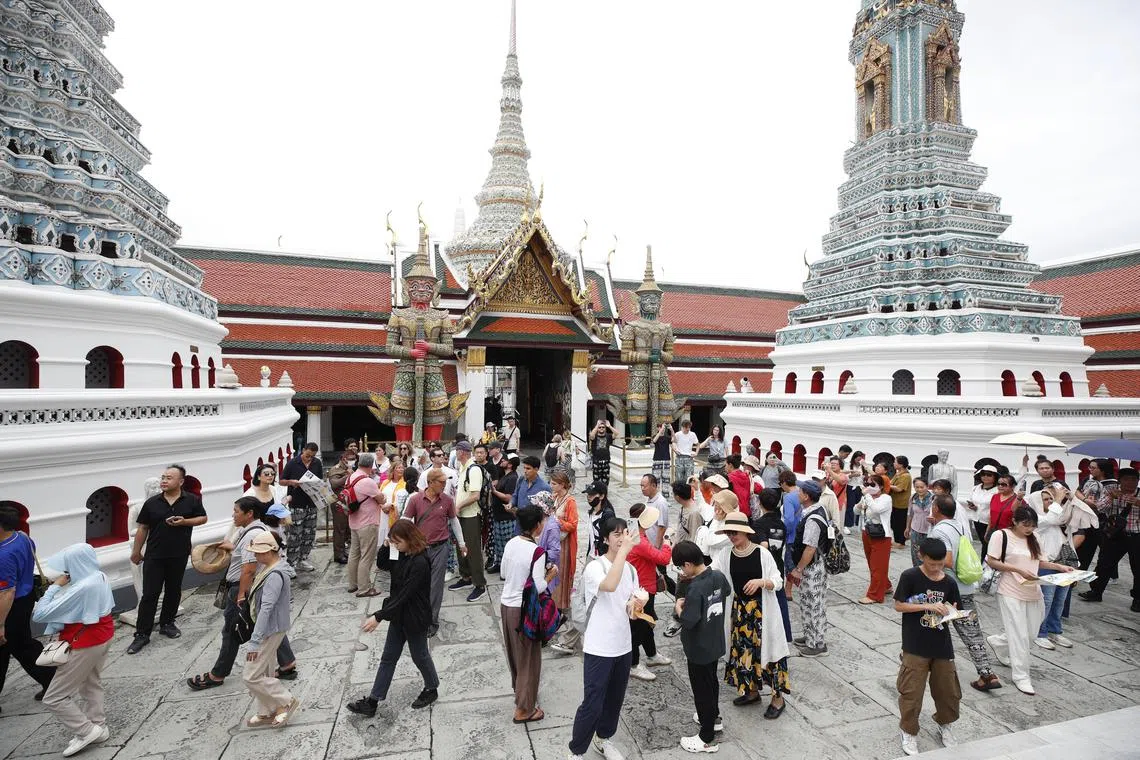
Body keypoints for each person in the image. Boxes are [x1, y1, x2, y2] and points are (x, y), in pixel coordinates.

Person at [187, 497, 296, 691]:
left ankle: (218, 674)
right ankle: (287, 663)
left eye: (236, 511)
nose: (233, 514)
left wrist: (241, 596)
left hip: (242, 587)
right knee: (269, 624)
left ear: (249, 513)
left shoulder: (251, 535)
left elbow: (248, 569)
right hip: (249, 586)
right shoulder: (257, 530)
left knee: (231, 629)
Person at [346, 520, 440, 716]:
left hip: (415, 617)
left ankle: (432, 688)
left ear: (409, 539)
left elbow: (406, 594)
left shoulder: (420, 562)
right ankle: (373, 701)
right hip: (398, 615)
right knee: (388, 658)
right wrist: (386, 546)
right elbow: (382, 564)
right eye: (394, 541)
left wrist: (378, 616)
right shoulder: (400, 553)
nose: (396, 545)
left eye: (398, 542)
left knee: (420, 655)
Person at [32, 543, 114, 757]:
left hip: (83, 642)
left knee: (54, 697)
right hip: (101, 636)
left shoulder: (82, 587)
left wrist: (54, 587)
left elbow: (40, 614)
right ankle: (99, 726)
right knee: (91, 684)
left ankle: (87, 730)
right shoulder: (98, 576)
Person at [567, 518, 638, 760]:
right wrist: (624, 552)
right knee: (593, 702)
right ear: (606, 539)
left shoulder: (630, 569)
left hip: (623, 644)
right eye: (615, 534)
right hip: (599, 645)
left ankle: (604, 738)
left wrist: (636, 604)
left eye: (624, 534)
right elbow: (609, 585)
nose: (621, 538)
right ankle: (576, 751)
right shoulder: (595, 567)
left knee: (615, 699)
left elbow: (629, 602)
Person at [985, 507, 1076, 694]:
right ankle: (1021, 676)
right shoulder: (1001, 535)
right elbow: (992, 561)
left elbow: (1039, 562)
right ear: (1015, 521)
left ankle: (998, 641)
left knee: (1032, 633)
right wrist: (1017, 569)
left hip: (1033, 588)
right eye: (1025, 525)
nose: (1029, 529)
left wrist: (1060, 567)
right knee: (1019, 635)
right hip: (1010, 589)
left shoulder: (1035, 538)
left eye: (1032, 525)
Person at [127, 464, 207, 654]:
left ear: (180, 481)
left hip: (178, 554)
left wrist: (185, 522)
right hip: (155, 555)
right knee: (150, 595)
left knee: (173, 591)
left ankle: (167, 623)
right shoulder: (152, 503)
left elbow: (202, 518)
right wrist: (136, 552)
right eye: (163, 477)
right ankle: (142, 634)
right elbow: (143, 528)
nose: (164, 480)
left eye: (169, 478)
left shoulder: (191, 500)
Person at [894, 538, 962, 756]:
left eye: (940, 564)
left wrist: (952, 613)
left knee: (948, 691)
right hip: (915, 643)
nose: (936, 569)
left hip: (942, 643)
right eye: (932, 564)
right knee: (911, 691)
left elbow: (954, 607)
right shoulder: (910, 577)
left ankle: (946, 724)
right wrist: (926, 606)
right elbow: (899, 605)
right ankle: (909, 731)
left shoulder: (949, 583)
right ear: (921, 555)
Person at [926, 495, 1001, 691]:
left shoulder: (940, 531)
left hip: (945, 589)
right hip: (965, 587)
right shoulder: (960, 526)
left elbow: (947, 560)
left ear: (937, 509)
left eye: (933, 505)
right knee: (972, 632)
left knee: (930, 626)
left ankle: (920, 662)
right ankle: (987, 674)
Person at [720, 511, 790, 720]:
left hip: (762, 613)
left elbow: (777, 580)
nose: (732, 536)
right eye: (729, 532)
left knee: (770, 655)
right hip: (739, 613)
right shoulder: (726, 553)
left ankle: (778, 699)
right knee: (743, 652)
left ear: (745, 532)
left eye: (735, 532)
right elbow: (713, 573)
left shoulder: (762, 553)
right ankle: (751, 692)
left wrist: (762, 582)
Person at [673, 539, 734, 753]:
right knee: (711, 683)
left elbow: (689, 621)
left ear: (688, 565)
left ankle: (706, 737)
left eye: (681, 567)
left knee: (702, 690)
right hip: (714, 641)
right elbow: (725, 592)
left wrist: (679, 608)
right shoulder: (717, 575)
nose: (682, 571)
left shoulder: (695, 588)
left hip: (698, 647)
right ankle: (713, 717)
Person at [500, 505, 556, 724]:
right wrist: (550, 575)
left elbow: (504, 573)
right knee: (529, 659)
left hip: (506, 605)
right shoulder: (537, 551)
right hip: (524, 609)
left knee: (515, 656)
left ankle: (521, 695)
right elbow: (538, 586)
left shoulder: (511, 543)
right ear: (536, 526)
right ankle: (524, 709)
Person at [242, 532, 300, 728]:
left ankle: (285, 700)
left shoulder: (274, 574)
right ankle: (266, 710)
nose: (255, 557)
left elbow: (266, 608)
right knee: (265, 672)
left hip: (269, 629)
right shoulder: (271, 569)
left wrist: (254, 641)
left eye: (258, 553)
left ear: (269, 551)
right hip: (271, 627)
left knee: (251, 676)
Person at [401, 468, 467, 637]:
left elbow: (454, 521)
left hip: (441, 547)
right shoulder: (415, 499)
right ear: (430, 483)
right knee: (417, 583)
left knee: (435, 586)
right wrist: (395, 537)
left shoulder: (447, 500)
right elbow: (406, 520)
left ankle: (432, 621)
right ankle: (417, 615)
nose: (445, 486)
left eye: (446, 482)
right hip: (420, 549)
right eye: (442, 482)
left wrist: (462, 543)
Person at [0, 504, 55, 703]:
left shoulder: (4, 555)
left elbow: (7, 592)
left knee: (15, 646)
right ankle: (51, 680)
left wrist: (1, 624)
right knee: (21, 644)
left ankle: (52, 681)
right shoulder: (22, 537)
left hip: (10, 606)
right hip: (26, 597)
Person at [1027, 484, 1090, 649]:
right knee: (1046, 600)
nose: (1049, 502)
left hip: (1066, 562)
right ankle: (1040, 633)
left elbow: (1078, 518)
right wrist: (1057, 499)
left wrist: (1070, 500)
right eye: (1045, 499)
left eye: (1050, 498)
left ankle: (1055, 630)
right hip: (1048, 563)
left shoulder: (1058, 515)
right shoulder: (1035, 520)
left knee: (1060, 600)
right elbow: (1052, 519)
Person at [1080, 467, 1139, 608]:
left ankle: (1138, 599)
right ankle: (1096, 591)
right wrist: (1111, 497)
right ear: (1120, 480)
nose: (1130, 483)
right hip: (1114, 535)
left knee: (1138, 568)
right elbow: (1099, 508)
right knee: (1104, 564)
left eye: (1134, 480)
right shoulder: (1110, 489)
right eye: (1126, 479)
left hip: (1136, 534)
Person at [627, 504, 673, 681]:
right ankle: (633, 664)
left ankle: (652, 655)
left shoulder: (634, 534)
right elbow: (664, 558)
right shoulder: (640, 541)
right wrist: (667, 542)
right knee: (639, 627)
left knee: (647, 623)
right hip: (642, 591)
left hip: (643, 588)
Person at [789, 480, 829, 657]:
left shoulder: (812, 519)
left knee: (813, 604)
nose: (798, 493)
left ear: (806, 496)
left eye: (800, 491)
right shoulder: (818, 510)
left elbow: (810, 547)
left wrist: (798, 569)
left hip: (812, 567)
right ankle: (810, 636)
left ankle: (816, 645)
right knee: (808, 602)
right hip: (816, 564)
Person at [449, 441, 487, 602]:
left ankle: (479, 584)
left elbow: (475, 495)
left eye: (457, 451)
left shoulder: (474, 469)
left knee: (473, 549)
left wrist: (458, 507)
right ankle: (466, 577)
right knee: (461, 545)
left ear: (462, 452)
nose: (455, 454)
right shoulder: (462, 468)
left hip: (471, 515)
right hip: (461, 515)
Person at [754, 488, 793, 643]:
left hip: (764, 567)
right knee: (780, 600)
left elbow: (763, 544)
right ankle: (785, 634)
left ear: (760, 503)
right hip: (778, 564)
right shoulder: (781, 524)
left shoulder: (758, 524)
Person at [280, 442, 323, 572]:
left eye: (312, 456)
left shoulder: (317, 463)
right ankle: (291, 562)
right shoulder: (293, 463)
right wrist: (291, 482)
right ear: (303, 451)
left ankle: (303, 559)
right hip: (297, 503)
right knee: (295, 534)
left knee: (309, 533)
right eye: (307, 455)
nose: (309, 458)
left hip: (311, 503)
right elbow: (281, 481)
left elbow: (319, 480)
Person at [346, 453, 383, 597]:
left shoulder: (351, 477)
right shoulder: (367, 481)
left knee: (354, 554)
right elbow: (380, 498)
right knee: (367, 555)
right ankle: (364, 588)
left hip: (354, 522)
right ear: (371, 465)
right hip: (367, 522)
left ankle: (353, 584)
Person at [855, 476, 893, 605]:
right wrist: (860, 504)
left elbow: (877, 509)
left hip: (881, 536)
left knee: (878, 566)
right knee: (873, 564)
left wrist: (867, 496)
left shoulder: (886, 498)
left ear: (881, 486)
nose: (869, 486)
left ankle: (874, 595)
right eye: (868, 484)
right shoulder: (867, 497)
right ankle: (886, 585)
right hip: (867, 532)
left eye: (873, 484)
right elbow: (856, 511)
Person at [549, 470, 579, 629]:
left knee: (562, 575)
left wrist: (556, 522)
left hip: (565, 545)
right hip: (555, 542)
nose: (551, 486)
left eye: (554, 483)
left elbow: (573, 524)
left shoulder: (570, 502)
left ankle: (561, 606)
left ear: (562, 484)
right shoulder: (555, 497)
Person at [326, 438, 359, 564]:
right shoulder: (336, 468)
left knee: (347, 529)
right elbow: (334, 484)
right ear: (344, 459)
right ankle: (338, 554)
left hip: (350, 501)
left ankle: (344, 551)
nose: (352, 462)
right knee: (339, 529)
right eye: (350, 460)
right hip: (338, 502)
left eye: (353, 460)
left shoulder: (354, 467)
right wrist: (348, 475)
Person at [488, 454, 519, 573]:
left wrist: (494, 491)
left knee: (507, 543)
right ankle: (499, 564)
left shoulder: (512, 478)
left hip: (506, 517)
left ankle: (508, 568)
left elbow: (508, 498)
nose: (501, 461)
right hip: (498, 515)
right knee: (499, 543)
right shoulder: (505, 475)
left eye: (504, 460)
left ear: (510, 464)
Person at [965, 465, 1000, 543]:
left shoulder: (998, 491)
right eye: (983, 474)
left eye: (989, 475)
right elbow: (971, 500)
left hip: (989, 522)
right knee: (982, 542)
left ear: (995, 477)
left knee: (988, 543)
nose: (985, 477)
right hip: (977, 520)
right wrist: (972, 506)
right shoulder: (975, 488)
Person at [906, 477, 933, 568]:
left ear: (927, 486)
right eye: (917, 487)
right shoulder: (913, 498)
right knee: (916, 553)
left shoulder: (933, 498)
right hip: (915, 530)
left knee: (928, 554)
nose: (919, 489)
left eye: (922, 487)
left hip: (929, 531)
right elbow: (910, 514)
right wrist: (907, 527)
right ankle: (917, 572)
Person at [889, 456, 913, 548]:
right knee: (894, 523)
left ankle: (901, 542)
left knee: (900, 523)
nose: (894, 463)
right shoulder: (898, 474)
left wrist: (887, 485)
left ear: (901, 464)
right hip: (895, 502)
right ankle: (898, 540)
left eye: (895, 462)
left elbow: (899, 489)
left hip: (901, 503)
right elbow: (891, 483)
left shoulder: (906, 476)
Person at [588, 419, 617, 484]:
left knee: (606, 480)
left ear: (605, 428)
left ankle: (604, 493)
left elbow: (616, 433)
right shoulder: (594, 437)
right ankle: (597, 493)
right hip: (596, 461)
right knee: (596, 480)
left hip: (606, 461)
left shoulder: (608, 436)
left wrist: (609, 426)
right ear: (597, 428)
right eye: (600, 427)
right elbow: (591, 435)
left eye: (603, 427)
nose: (601, 428)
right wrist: (597, 425)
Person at [826, 457, 850, 535]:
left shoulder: (844, 476)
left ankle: (837, 544)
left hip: (838, 504)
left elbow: (840, 481)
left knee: (837, 526)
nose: (832, 465)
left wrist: (829, 470)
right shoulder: (828, 475)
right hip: (828, 504)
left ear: (840, 465)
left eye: (835, 464)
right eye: (831, 463)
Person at [673, 419, 699, 484]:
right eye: (686, 427)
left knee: (689, 478)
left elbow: (698, 444)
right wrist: (675, 449)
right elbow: (673, 442)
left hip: (689, 457)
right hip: (679, 457)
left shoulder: (692, 434)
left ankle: (688, 492)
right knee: (679, 477)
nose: (687, 429)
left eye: (689, 427)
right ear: (682, 427)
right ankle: (679, 492)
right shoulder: (678, 434)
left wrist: (696, 453)